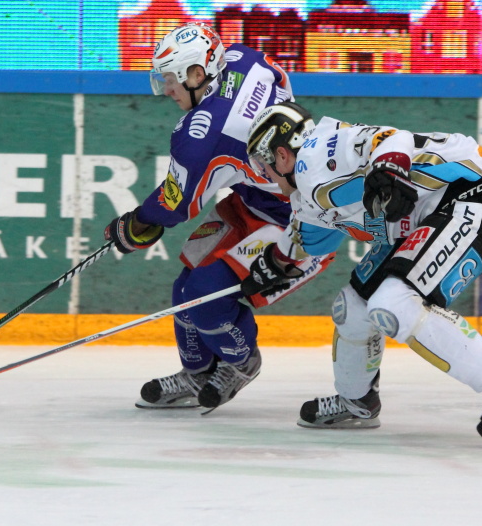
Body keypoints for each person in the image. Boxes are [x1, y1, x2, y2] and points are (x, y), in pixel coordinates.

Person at [241, 101, 482, 447]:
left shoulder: (319, 149)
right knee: (352, 307)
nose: (262, 173)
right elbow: (306, 240)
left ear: (282, 155)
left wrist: (387, 170)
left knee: (394, 304)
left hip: (472, 198)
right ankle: (357, 401)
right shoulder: (304, 194)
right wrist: (274, 264)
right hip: (422, 221)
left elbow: (391, 138)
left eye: (261, 163)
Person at [103, 23, 341, 411]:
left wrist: (133, 225)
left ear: (198, 74)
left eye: (170, 80)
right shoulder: (244, 58)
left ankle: (240, 361)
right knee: (185, 290)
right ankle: (196, 374)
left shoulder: (203, 133)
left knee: (205, 294)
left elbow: (175, 205)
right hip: (254, 201)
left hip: (300, 222)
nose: (166, 90)